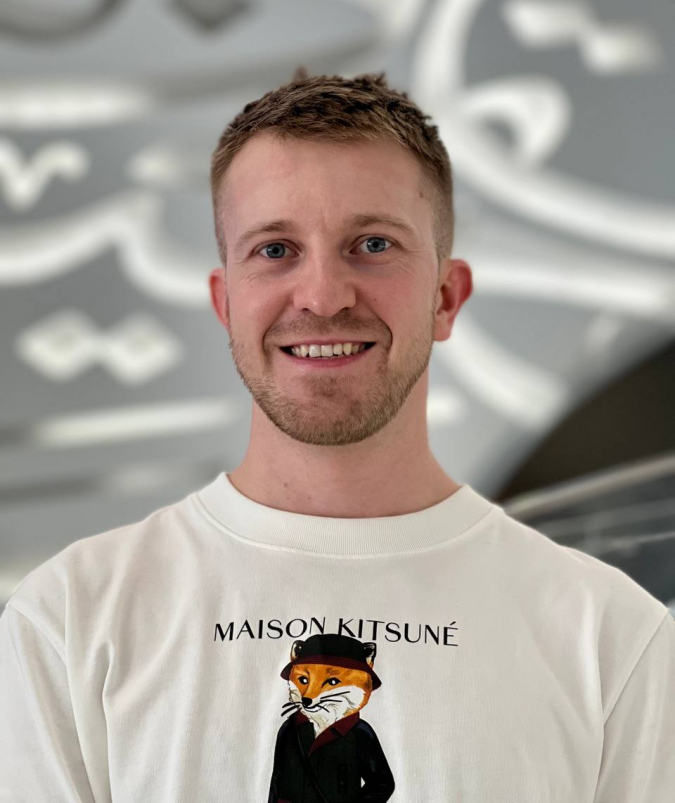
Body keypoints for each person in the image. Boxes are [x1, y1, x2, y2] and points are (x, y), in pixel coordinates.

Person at [1, 69, 673, 802]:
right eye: (275, 250)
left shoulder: (612, 637)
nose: (322, 297)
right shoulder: (69, 619)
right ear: (226, 304)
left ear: (445, 297)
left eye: (372, 244)